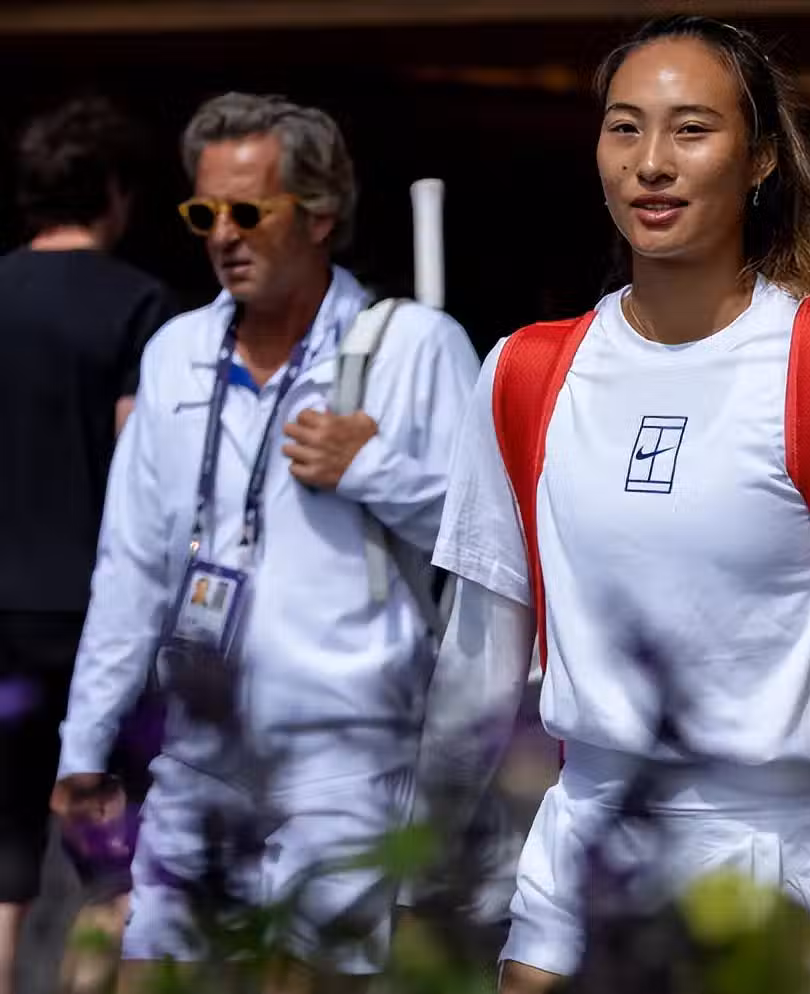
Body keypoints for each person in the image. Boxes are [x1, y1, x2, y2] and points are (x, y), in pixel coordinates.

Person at [419, 15, 810, 993]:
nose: (651, 162)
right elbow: (479, 653)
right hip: (581, 853)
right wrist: (421, 870)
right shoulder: (524, 370)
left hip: (790, 866)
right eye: (624, 127)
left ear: (760, 158)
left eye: (691, 129)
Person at [50, 92, 481, 986]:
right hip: (198, 755)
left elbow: (488, 543)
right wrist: (85, 748)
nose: (222, 235)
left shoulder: (415, 347)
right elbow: (130, 568)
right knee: (151, 972)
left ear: (319, 215)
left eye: (247, 212)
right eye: (202, 213)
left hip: (348, 760)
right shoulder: (175, 352)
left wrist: (375, 470)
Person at [0, 95, 175, 994]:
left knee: (4, 854)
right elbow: (142, 470)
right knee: (112, 856)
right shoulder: (138, 303)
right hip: (92, 613)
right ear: (113, 191)